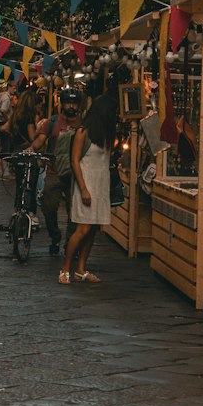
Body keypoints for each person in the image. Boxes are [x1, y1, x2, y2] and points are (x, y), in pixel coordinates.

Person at [61, 85, 119, 285]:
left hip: (101, 184)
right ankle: (65, 269)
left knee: (93, 229)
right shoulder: (82, 133)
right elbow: (74, 160)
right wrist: (83, 188)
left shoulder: (106, 135)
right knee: (82, 230)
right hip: (86, 184)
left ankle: (81, 269)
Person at [31, 85, 85, 256]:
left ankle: (70, 242)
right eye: (68, 102)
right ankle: (55, 235)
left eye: (74, 103)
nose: (71, 106)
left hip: (76, 174)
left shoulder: (83, 124)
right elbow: (40, 141)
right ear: (62, 103)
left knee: (74, 211)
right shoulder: (52, 122)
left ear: (78, 105)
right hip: (54, 172)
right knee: (48, 206)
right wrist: (30, 150)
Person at [0, 88, 38, 175]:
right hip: (26, 150)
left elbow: (3, 128)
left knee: (19, 178)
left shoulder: (15, 115)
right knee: (30, 177)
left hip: (16, 149)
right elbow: (32, 137)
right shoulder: (29, 117)